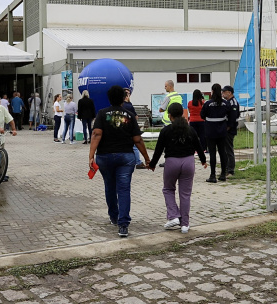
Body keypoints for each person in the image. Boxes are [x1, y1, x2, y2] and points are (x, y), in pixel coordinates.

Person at [89, 85, 150, 238]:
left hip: (105, 156)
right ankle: (123, 225)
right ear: (124, 98)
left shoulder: (102, 114)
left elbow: (96, 134)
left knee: (109, 187)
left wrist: (91, 156)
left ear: (109, 98)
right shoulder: (129, 115)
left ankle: (114, 217)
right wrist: (147, 158)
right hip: (125, 157)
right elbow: (137, 139)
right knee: (123, 189)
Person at [148, 103, 206, 234]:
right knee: (185, 194)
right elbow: (199, 146)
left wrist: (152, 164)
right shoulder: (190, 130)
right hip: (189, 163)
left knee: (168, 189)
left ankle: (173, 215)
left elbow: (158, 150)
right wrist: (203, 161)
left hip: (172, 162)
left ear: (170, 116)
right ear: (182, 114)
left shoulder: (165, 130)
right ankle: (185, 225)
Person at [199, 84, 230, 183]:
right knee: (222, 152)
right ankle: (223, 175)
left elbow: (202, 115)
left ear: (212, 91)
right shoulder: (225, 103)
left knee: (212, 153)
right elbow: (230, 115)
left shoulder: (208, 103)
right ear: (220, 92)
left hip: (210, 131)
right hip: (222, 131)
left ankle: (213, 175)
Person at [221, 85, 240, 180]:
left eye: (224, 92)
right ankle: (226, 168)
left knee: (229, 149)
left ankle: (230, 170)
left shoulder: (233, 103)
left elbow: (233, 117)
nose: (222, 94)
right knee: (225, 149)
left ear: (229, 92)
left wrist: (228, 127)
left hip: (230, 129)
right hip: (226, 128)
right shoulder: (227, 102)